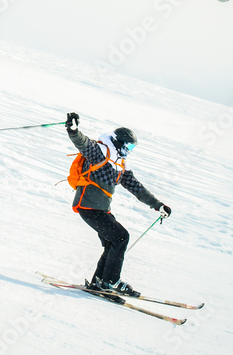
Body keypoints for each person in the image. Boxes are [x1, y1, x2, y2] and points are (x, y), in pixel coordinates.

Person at [65, 112, 171, 297]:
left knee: (112, 242)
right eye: (128, 146)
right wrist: (73, 130)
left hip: (101, 210)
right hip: (88, 207)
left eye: (132, 147)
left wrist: (158, 205)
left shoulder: (120, 164)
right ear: (118, 142)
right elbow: (84, 144)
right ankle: (111, 281)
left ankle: (99, 282)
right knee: (121, 237)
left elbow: (136, 188)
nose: (129, 150)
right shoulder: (101, 153)